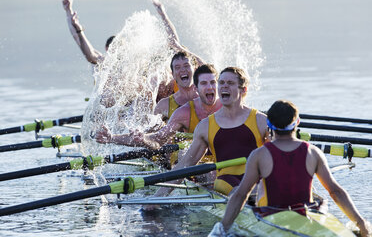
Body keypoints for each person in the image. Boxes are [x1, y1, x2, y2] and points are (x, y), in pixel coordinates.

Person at [209, 100, 371, 237]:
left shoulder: (259, 155)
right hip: (308, 216)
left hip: (270, 217)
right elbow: (336, 192)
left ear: (269, 125)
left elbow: (241, 195)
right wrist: (361, 223)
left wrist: (221, 229)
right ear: (297, 122)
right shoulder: (313, 152)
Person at [144, 67, 268, 208]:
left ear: (244, 90)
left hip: (255, 179)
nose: (224, 86)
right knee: (249, 193)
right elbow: (184, 166)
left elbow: (279, 155)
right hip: (227, 181)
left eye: (230, 83)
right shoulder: (206, 126)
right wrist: (156, 199)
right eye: (221, 83)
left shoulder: (261, 120)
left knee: (265, 188)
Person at [95, 64, 222, 153]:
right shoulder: (182, 112)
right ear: (196, 88)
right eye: (204, 83)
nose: (210, 87)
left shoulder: (230, 106)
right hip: (191, 160)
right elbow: (157, 139)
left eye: (212, 83)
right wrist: (113, 138)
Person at [62, 0, 113, 65]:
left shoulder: (127, 65)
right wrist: (69, 11)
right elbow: (90, 55)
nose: (120, 50)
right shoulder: (103, 62)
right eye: (116, 47)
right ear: (107, 49)